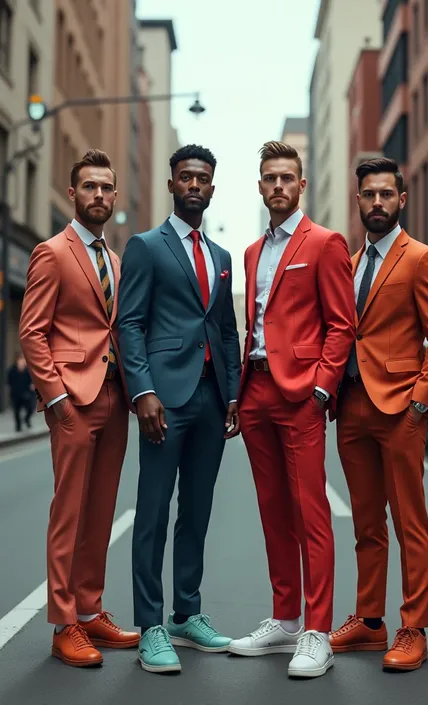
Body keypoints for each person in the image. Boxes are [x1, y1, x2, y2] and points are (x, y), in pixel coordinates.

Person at [228, 141, 355, 679]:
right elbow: (256, 324)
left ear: (301, 185)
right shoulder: (252, 252)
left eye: (286, 178)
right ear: (259, 187)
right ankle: (284, 618)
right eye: (269, 178)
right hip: (255, 391)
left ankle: (317, 631)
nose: (278, 185)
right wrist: (237, 394)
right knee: (273, 510)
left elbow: (342, 324)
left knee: (311, 513)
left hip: (300, 393)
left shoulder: (325, 243)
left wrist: (323, 388)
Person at [118, 144, 241, 674]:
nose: (194, 185)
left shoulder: (220, 258)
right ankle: (149, 626)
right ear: (172, 185)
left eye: (203, 179)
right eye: (186, 177)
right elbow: (130, 324)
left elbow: (226, 331)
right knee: (152, 513)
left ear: (213, 188)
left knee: (197, 510)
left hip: (213, 399)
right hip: (163, 401)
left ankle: (185, 613)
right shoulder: (145, 247)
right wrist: (142, 392)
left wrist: (234, 394)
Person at [330, 158, 428, 672]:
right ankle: (369, 620)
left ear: (401, 200)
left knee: (410, 524)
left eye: (386, 194)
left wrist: (421, 404)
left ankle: (412, 627)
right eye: (368, 195)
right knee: (366, 524)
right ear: (358, 200)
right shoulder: (350, 261)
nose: (376, 203)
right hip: (352, 409)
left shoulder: (423, 259)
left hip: (400, 408)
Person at [19, 149, 139, 668]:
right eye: (89, 187)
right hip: (74, 399)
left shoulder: (114, 260)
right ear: (73, 194)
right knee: (68, 513)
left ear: (114, 196)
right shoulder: (52, 251)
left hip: (114, 398)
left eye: (105, 188)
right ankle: (64, 623)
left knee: (101, 512)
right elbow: (31, 331)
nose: (98, 196)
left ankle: (90, 610)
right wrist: (58, 398)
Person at [7, 352, 34, 432]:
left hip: (26, 392)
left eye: (24, 359)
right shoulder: (12, 370)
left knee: (30, 408)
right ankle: (18, 426)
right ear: (17, 360)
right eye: (21, 359)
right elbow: (9, 382)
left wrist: (32, 385)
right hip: (16, 393)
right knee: (16, 410)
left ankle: (26, 419)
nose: (22, 361)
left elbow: (32, 380)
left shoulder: (28, 370)